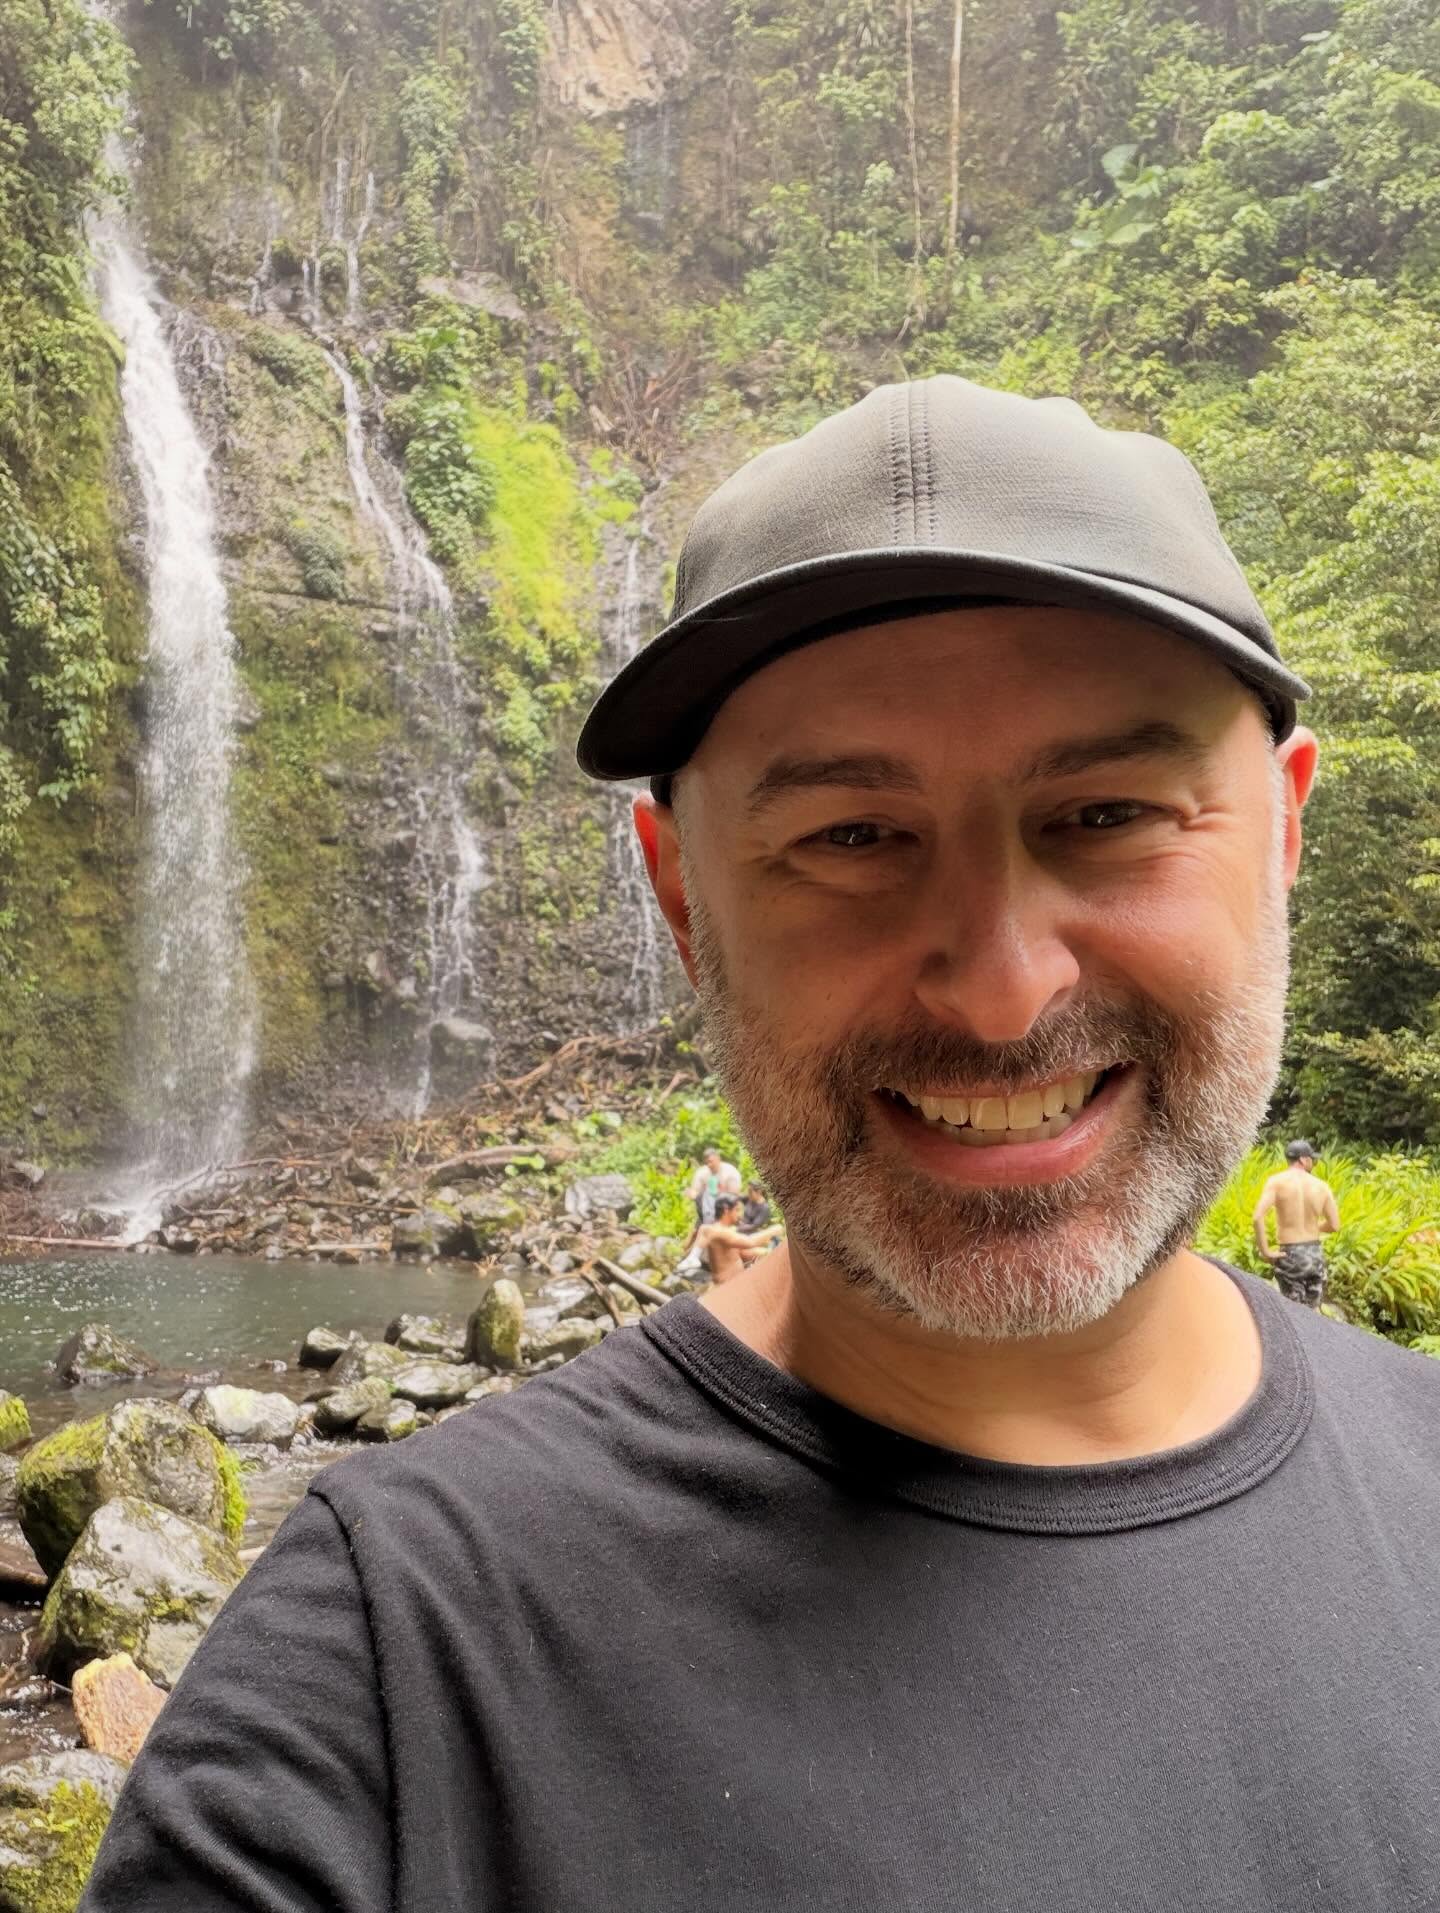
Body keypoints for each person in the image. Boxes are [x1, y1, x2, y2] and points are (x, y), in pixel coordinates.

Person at [84, 377, 1440, 1912]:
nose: (1003, 988)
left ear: (1283, 832)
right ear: (680, 898)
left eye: (1110, 812)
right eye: (852, 838)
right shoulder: (386, 1680)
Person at [1252, 1139, 1340, 1308]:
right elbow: (1334, 1225)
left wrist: (1266, 1251)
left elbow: (1257, 1217)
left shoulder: (1276, 1182)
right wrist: (1315, 1227)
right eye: (1311, 1159)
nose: (1313, 1162)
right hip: (1314, 1254)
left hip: (1290, 1254)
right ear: (1303, 1160)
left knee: (1293, 1314)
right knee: (1312, 1313)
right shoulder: (1321, 1186)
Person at [696, 1191, 784, 1283]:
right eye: (737, 1210)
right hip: (727, 1285)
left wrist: (766, 1252)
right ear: (726, 1210)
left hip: (735, 1281)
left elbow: (742, 1252)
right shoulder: (720, 1231)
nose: (740, 1215)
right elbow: (750, 1242)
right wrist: (772, 1231)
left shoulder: (725, 1230)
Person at [685, 1142, 741, 1224]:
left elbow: (734, 1195)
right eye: (707, 1162)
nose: (709, 1165)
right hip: (706, 1208)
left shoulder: (730, 1172)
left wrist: (720, 1192)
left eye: (711, 1161)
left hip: (725, 1209)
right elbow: (694, 1192)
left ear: (718, 1159)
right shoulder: (702, 1173)